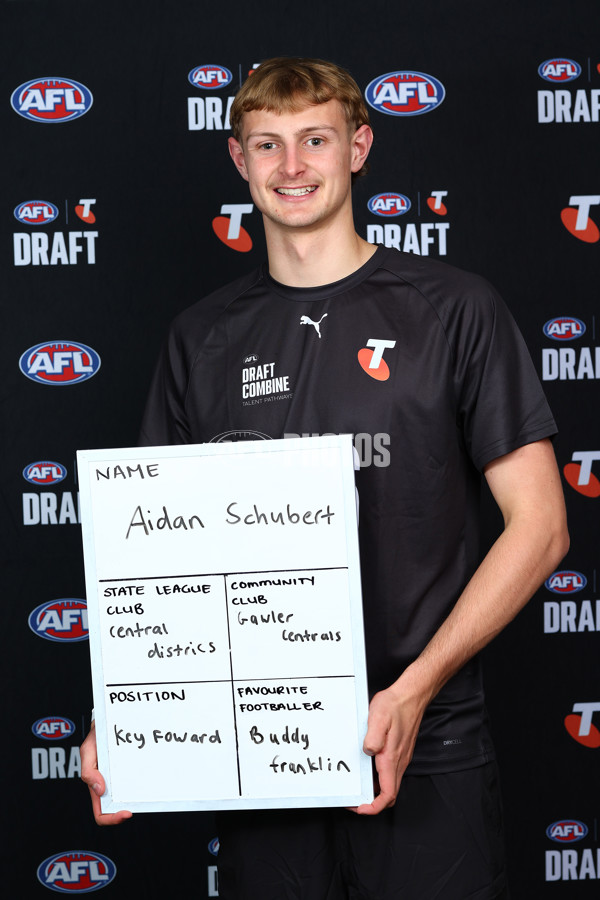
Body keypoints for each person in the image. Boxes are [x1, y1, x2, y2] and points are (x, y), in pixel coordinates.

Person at [81, 57, 569, 898]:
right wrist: (128, 721)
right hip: (262, 752)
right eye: (267, 145)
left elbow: (542, 527)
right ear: (239, 161)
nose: (292, 166)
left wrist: (414, 692)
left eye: (315, 139)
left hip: (426, 740)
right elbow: (156, 560)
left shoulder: (455, 308)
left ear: (359, 147)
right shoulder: (200, 338)